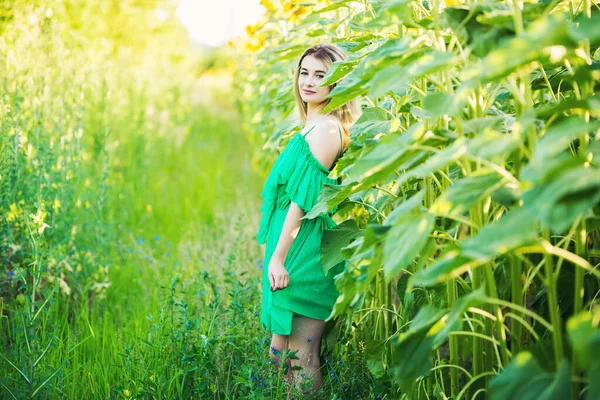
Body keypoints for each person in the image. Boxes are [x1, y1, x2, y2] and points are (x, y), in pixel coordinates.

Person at [255, 43, 360, 395]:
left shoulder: (329, 129)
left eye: (321, 76)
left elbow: (301, 202)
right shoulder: (312, 124)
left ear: (338, 83)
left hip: (303, 249)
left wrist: (279, 257)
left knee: (301, 356)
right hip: (288, 244)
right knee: (278, 356)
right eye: (305, 72)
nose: (309, 82)